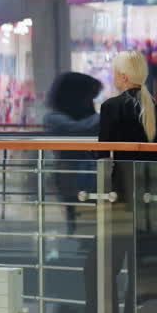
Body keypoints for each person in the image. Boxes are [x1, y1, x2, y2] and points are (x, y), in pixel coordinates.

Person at [74, 51, 157, 313]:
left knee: (98, 272)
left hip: (118, 205)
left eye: (115, 73)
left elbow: (106, 158)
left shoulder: (112, 107)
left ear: (123, 77)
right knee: (141, 278)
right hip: (152, 209)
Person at [44, 72, 104, 231]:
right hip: (71, 176)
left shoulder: (85, 116)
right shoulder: (54, 118)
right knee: (80, 222)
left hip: (89, 176)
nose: (90, 102)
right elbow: (76, 131)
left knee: (92, 223)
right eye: (88, 97)